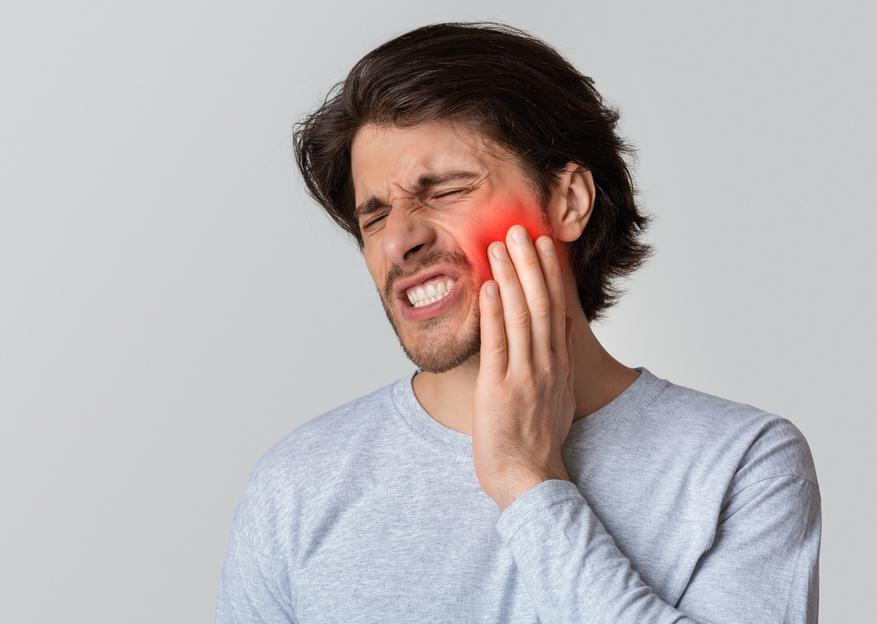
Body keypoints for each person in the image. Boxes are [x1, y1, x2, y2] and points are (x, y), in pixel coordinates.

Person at [216, 21, 821, 624]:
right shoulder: (297, 486)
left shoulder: (739, 463)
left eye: (445, 190)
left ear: (568, 202)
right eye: (374, 218)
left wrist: (526, 480)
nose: (398, 241)